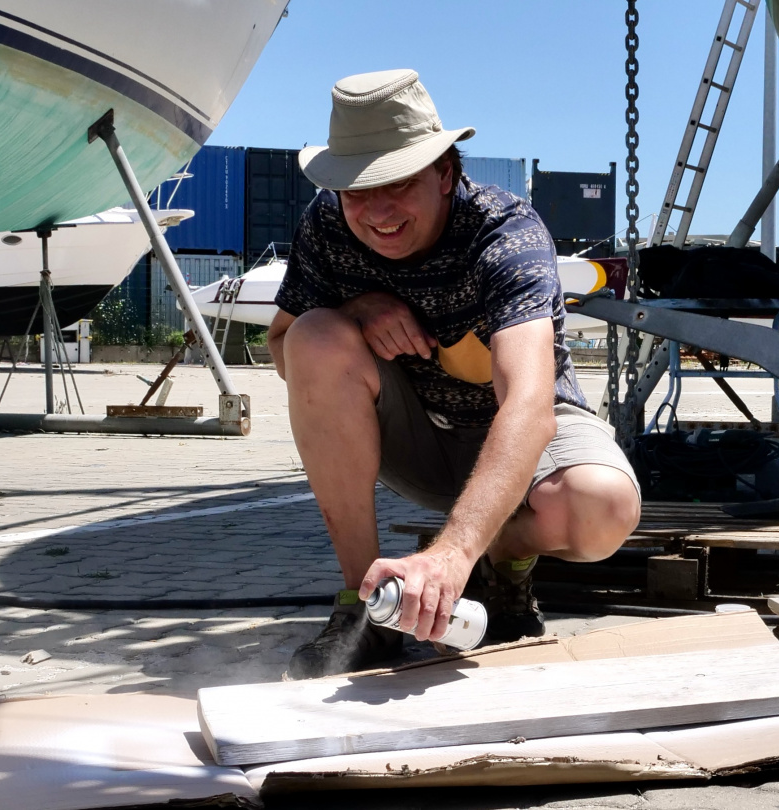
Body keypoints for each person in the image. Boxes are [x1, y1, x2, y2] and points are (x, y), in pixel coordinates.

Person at [266, 70, 641, 679]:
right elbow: (283, 348)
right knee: (315, 334)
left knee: (601, 508)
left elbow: (528, 405)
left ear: (445, 173)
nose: (377, 211)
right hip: (416, 437)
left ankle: (503, 561)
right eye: (358, 190)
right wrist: (352, 312)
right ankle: (365, 608)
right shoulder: (327, 226)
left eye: (399, 184)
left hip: (519, 442)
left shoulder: (504, 234)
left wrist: (453, 555)